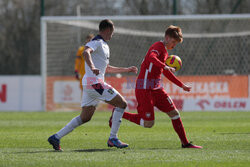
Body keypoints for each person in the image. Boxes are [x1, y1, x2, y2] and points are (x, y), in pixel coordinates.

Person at [48, 19, 138, 151]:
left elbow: (106, 68)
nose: (112, 35)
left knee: (85, 117)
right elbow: (85, 52)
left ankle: (56, 137)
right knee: (122, 104)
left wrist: (127, 70)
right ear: (107, 30)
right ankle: (113, 138)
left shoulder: (104, 45)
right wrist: (92, 66)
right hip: (95, 83)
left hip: (90, 83)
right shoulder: (96, 42)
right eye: (112, 32)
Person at [109, 25, 202, 149]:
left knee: (174, 113)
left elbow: (165, 72)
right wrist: (164, 66)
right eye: (173, 42)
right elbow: (151, 57)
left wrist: (181, 85)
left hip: (157, 89)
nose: (174, 45)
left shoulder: (165, 52)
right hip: (145, 89)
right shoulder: (158, 47)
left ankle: (185, 143)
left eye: (176, 43)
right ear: (167, 38)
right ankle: (119, 113)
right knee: (148, 123)